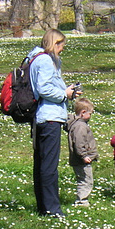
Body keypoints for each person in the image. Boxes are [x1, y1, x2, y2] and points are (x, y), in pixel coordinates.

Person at [29, 29, 80, 217]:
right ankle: (52, 209)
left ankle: (43, 207)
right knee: (49, 165)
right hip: (49, 117)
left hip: (40, 117)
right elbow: (44, 88)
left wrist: (66, 90)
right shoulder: (45, 60)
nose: (62, 50)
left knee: (41, 163)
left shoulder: (34, 58)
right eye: (61, 46)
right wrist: (63, 95)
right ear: (54, 43)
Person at [66, 98, 99, 207]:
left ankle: (82, 199)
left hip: (81, 159)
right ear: (83, 113)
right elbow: (79, 143)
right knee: (85, 180)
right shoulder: (80, 126)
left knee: (84, 179)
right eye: (90, 113)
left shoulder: (77, 124)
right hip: (81, 160)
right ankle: (82, 201)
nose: (91, 116)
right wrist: (84, 155)